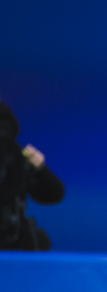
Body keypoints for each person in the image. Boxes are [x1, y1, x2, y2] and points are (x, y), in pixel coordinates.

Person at [0, 96, 65, 251]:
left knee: (39, 240)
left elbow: (54, 194)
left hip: (12, 236)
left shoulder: (20, 158)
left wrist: (41, 169)